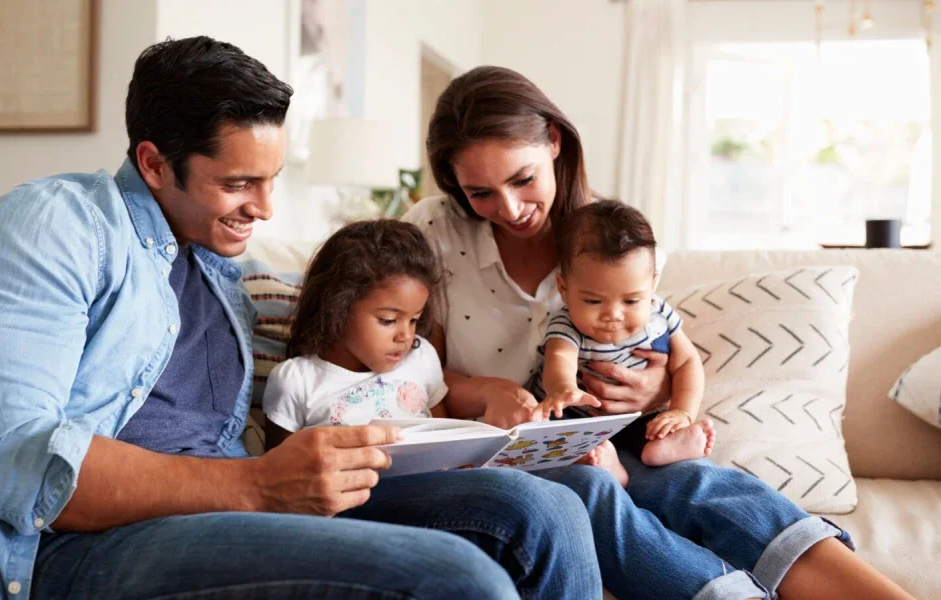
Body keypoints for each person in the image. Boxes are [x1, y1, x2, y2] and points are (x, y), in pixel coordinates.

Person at [0, 38, 605, 600]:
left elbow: (343, 316)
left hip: (235, 500)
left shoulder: (222, 268)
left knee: (539, 508)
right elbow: (6, 461)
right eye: (237, 184)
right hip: (76, 546)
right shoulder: (51, 226)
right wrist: (256, 485)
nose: (264, 207)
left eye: (271, 180)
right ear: (152, 163)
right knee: (458, 578)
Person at [404, 64, 913, 600]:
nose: (509, 210)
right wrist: (489, 391)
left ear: (554, 141)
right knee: (589, 491)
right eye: (481, 192)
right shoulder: (434, 232)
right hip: (501, 453)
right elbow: (415, 373)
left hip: (605, 432)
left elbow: (662, 357)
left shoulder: (616, 242)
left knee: (703, 486)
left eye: (523, 179)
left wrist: (657, 391)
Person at [532, 199, 716, 485]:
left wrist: (682, 411)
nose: (613, 315)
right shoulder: (567, 323)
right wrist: (565, 389)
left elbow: (688, 362)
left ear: (652, 285)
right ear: (564, 289)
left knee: (655, 427)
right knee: (553, 433)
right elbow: (559, 358)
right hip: (578, 416)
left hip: (636, 416)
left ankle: (664, 447)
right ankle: (606, 465)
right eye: (593, 301)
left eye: (631, 300)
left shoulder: (659, 314)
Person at [263, 219, 449, 446]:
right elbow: (278, 468)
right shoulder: (296, 381)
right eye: (388, 320)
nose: (405, 336)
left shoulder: (421, 358)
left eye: (414, 320)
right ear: (337, 308)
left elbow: (448, 436)